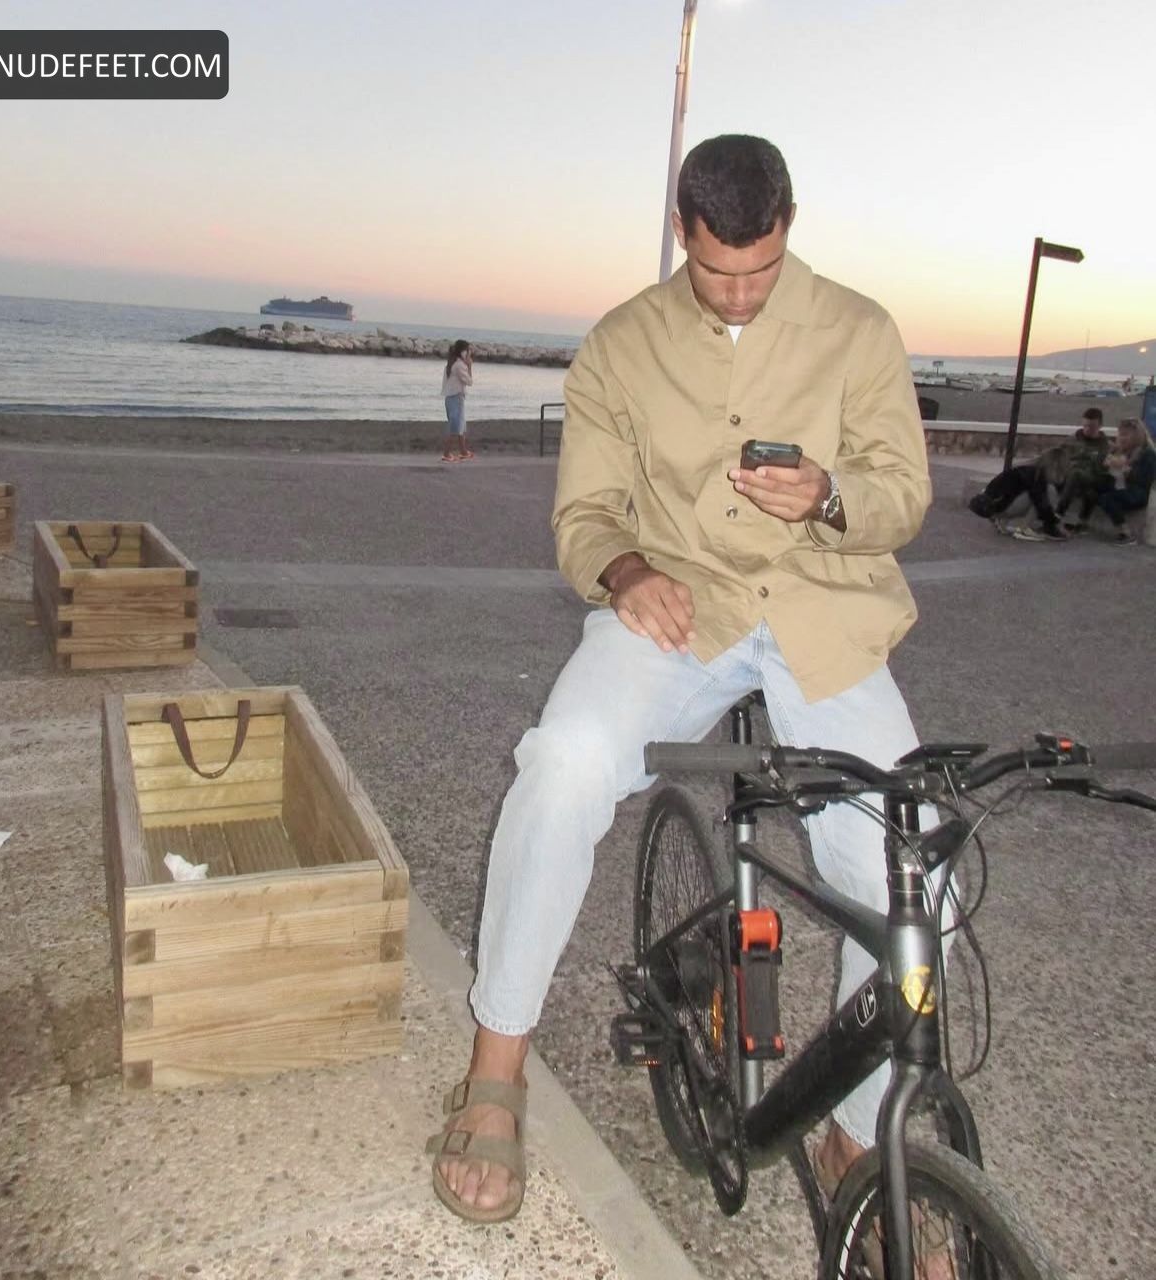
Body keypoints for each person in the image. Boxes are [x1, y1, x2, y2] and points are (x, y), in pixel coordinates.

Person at [426, 133, 944, 1261]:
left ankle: (852, 1135)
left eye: (760, 270)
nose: (739, 292)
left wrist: (829, 494)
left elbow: (904, 495)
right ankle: (495, 1067)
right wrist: (626, 572)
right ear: (681, 232)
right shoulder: (621, 344)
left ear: (789, 226)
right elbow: (586, 517)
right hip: (677, 610)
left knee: (918, 865)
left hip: (822, 614)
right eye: (715, 270)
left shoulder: (860, 329)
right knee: (562, 762)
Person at [968, 409, 1108, 540]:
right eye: (1085, 426)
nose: (1087, 429)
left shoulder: (1029, 467)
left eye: (1092, 427)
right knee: (1048, 492)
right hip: (994, 506)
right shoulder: (1037, 473)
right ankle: (1024, 528)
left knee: (1037, 492)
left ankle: (1001, 520)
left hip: (989, 503)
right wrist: (1054, 523)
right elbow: (1041, 502)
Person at [1066, 417, 1155, 543]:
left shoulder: (1147, 454)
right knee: (1092, 486)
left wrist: (1126, 470)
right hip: (1120, 486)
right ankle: (1082, 522)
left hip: (1137, 492)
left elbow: (1144, 481)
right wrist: (1105, 465)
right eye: (1120, 434)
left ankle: (1125, 532)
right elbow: (1108, 472)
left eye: (1125, 435)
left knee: (1106, 498)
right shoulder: (1119, 450)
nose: (1121, 438)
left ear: (1136, 436)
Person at [441, 340, 474, 461]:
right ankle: (446, 454)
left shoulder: (450, 364)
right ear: (463, 351)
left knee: (460, 426)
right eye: (468, 350)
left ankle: (463, 451)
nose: (469, 353)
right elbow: (469, 381)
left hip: (449, 398)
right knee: (455, 427)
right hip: (456, 398)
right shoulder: (459, 366)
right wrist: (469, 366)